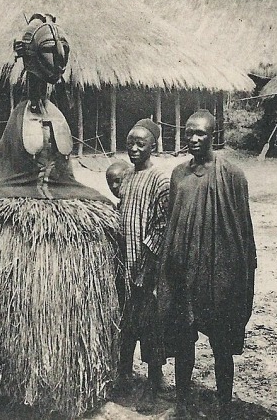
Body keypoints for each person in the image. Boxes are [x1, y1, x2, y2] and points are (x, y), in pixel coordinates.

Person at [0, 13, 121, 418]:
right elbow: (9, 164)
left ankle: (66, 378)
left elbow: (62, 169)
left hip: (59, 193)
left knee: (106, 220)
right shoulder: (18, 117)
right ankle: (8, 379)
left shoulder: (56, 114)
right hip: (18, 193)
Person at [158, 110, 257, 418]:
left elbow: (243, 230)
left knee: (221, 344)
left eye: (201, 133)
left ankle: (224, 404)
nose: (194, 139)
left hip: (218, 275)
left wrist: (242, 272)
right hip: (184, 273)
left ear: (213, 136)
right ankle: (182, 402)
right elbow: (172, 223)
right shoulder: (178, 174)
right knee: (183, 339)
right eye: (189, 133)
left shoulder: (232, 175)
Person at [115, 118, 169, 410]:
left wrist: (148, 266)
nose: (134, 149)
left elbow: (162, 226)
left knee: (150, 330)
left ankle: (152, 386)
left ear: (153, 146)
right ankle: (124, 377)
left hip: (148, 268)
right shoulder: (127, 177)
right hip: (127, 266)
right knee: (126, 327)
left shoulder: (160, 179)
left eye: (141, 144)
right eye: (130, 143)